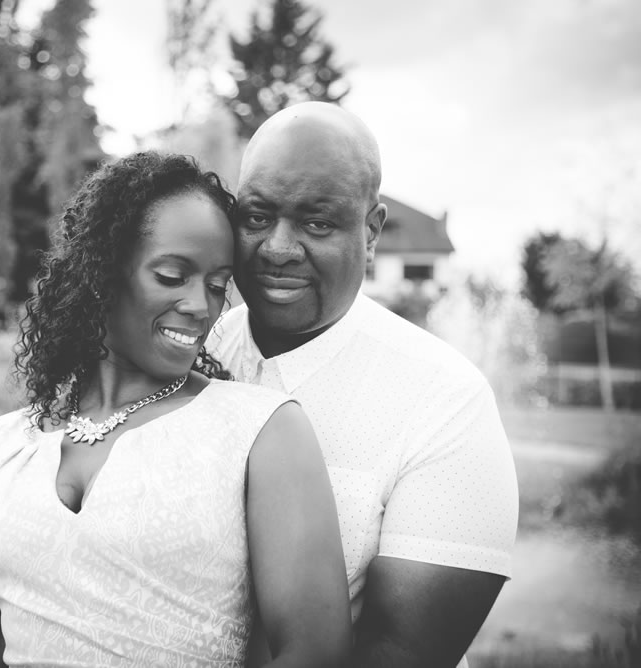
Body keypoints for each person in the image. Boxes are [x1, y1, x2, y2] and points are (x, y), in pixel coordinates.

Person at [0, 151, 351, 668]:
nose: (199, 306)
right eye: (171, 275)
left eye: (215, 285)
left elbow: (317, 653)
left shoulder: (263, 433)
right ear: (102, 273)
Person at [209, 102, 520, 668]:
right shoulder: (189, 356)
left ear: (371, 231)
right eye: (257, 217)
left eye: (317, 223)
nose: (277, 247)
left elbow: (403, 652)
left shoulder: (446, 401)